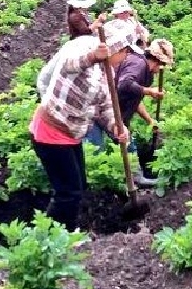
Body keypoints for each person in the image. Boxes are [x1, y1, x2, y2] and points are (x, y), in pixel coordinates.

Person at [32, 19, 133, 229]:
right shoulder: (84, 45)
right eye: (125, 52)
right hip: (51, 130)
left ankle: (65, 230)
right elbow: (68, 64)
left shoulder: (109, 73)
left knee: (79, 186)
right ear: (117, 48)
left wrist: (117, 127)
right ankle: (51, 238)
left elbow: (105, 106)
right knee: (68, 192)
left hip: (71, 135)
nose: (125, 58)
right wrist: (93, 56)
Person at [115, 37, 174, 187]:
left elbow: (135, 99)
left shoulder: (144, 69)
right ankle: (135, 180)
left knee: (124, 142)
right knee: (122, 144)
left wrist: (149, 120)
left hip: (119, 112)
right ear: (158, 61)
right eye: (163, 65)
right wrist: (149, 91)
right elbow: (124, 84)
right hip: (105, 112)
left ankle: (132, 177)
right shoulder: (138, 64)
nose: (161, 69)